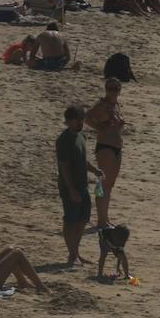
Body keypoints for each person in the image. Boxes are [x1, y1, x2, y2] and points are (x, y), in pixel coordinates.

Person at [56, 105, 102, 265]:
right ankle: (72, 255)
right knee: (70, 220)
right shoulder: (64, 140)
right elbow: (64, 166)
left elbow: (83, 159)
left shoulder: (81, 136)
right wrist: (71, 189)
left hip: (82, 185)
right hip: (70, 187)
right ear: (68, 121)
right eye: (76, 121)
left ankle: (76, 252)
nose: (80, 123)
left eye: (81, 120)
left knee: (83, 219)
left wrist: (94, 170)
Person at [85, 77, 125, 228]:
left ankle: (105, 218)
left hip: (116, 146)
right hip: (105, 146)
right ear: (106, 89)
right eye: (111, 88)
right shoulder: (102, 104)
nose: (114, 91)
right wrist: (99, 127)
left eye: (116, 89)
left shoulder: (115, 105)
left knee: (110, 185)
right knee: (103, 183)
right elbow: (87, 117)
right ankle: (101, 220)